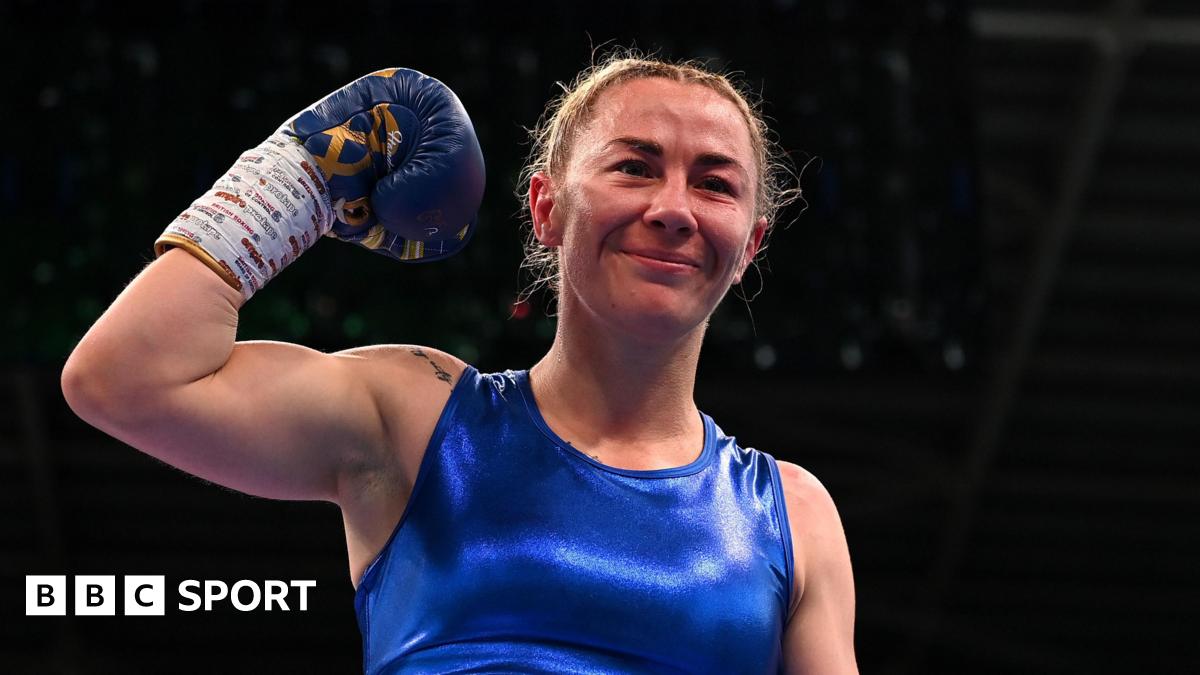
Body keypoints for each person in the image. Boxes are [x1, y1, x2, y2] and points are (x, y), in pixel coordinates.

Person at [61, 52, 857, 674]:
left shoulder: (792, 514)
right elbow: (124, 380)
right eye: (635, 167)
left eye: (714, 184)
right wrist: (296, 179)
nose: (673, 209)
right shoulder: (419, 418)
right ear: (546, 209)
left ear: (749, 246)